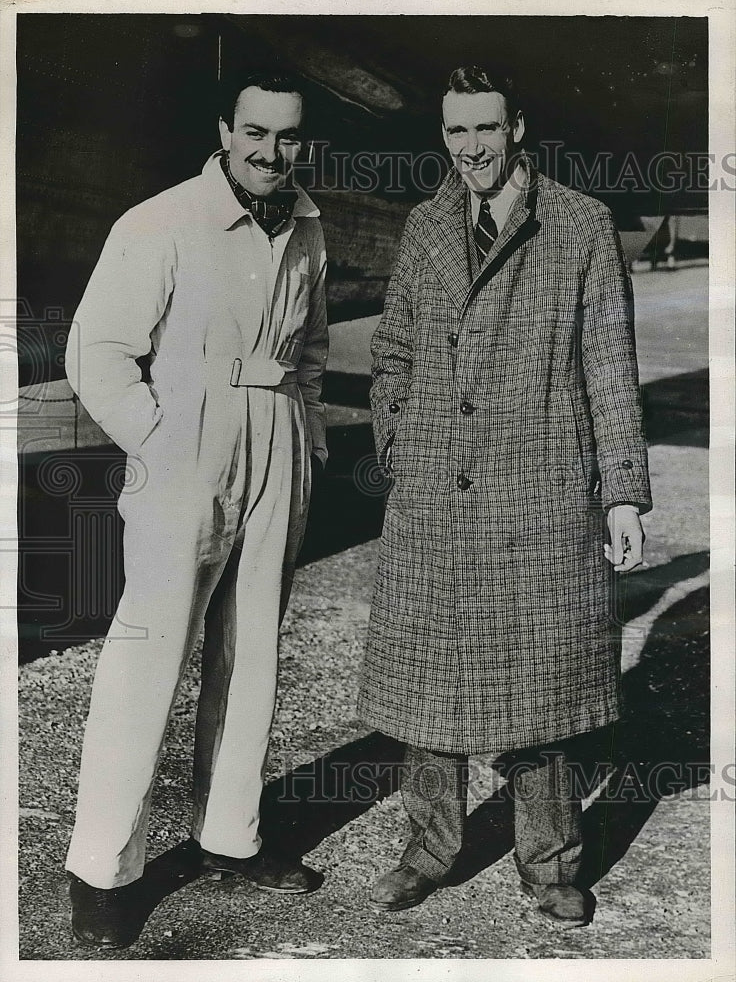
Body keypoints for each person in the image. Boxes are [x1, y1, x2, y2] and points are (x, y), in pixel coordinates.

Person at [358, 65, 651, 928]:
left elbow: (609, 367)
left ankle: (552, 863)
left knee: (544, 682)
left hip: (542, 487)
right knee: (427, 681)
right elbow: (395, 348)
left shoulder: (582, 225)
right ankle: (430, 849)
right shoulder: (424, 226)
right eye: (456, 133)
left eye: (486, 130)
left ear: (516, 126)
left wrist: (623, 494)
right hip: (435, 486)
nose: (472, 150)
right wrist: (401, 436)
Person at [64, 71, 329, 948]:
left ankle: (230, 836)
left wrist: (309, 442)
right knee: (149, 655)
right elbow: (97, 353)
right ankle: (102, 870)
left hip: (277, 439)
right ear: (224, 128)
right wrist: (159, 439)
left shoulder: (308, 223)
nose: (270, 152)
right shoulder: (159, 220)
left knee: (252, 650)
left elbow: (314, 346)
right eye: (255, 132)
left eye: (288, 137)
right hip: (187, 446)